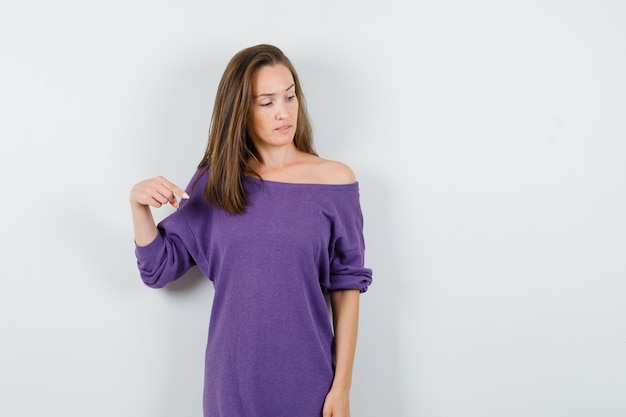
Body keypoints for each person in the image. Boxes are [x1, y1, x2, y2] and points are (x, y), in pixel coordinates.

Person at [130, 44, 372, 417]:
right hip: (232, 382)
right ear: (241, 109)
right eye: (267, 102)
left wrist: (342, 387)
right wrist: (138, 205)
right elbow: (158, 269)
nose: (283, 113)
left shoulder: (335, 182)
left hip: (310, 381)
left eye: (290, 97)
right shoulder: (217, 182)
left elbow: (347, 287)